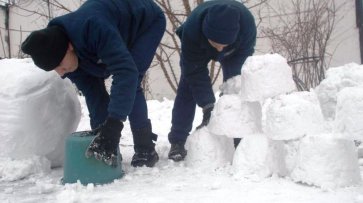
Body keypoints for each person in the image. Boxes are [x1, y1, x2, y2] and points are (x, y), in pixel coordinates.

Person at [21, 0, 166, 168]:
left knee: (132, 81)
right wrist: (102, 134)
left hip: (146, 23)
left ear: (69, 47)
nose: (61, 73)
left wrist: (114, 125)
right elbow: (93, 93)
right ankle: (111, 151)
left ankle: (145, 148)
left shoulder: (94, 28)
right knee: (98, 89)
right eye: (55, 69)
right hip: (115, 27)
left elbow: (126, 73)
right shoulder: (62, 52)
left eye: (59, 64)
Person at [168, 0, 257, 161]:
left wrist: (225, 104)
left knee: (234, 87)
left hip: (235, 51)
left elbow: (240, 65)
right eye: (216, 44)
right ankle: (177, 140)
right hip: (199, 46)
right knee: (187, 86)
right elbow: (195, 72)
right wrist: (208, 106)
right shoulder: (192, 30)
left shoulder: (247, 26)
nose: (219, 50)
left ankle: (238, 136)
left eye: (223, 45)